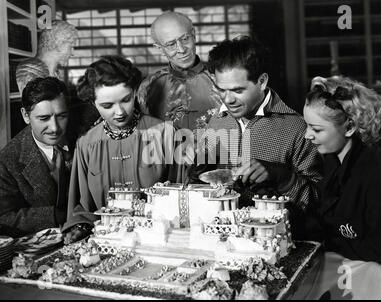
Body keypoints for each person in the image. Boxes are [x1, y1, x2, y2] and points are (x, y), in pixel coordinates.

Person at [193, 36, 323, 240]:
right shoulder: (215, 122)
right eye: (221, 90)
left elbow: (319, 201)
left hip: (275, 244)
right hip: (222, 241)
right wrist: (197, 176)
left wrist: (282, 177)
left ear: (262, 82)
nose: (228, 100)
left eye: (238, 90)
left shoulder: (297, 128)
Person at [62, 55, 179, 244]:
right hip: (107, 244)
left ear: (134, 92)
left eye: (126, 100)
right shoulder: (86, 145)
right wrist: (80, 226)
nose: (119, 112)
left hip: (160, 241)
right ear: (93, 103)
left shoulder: (165, 134)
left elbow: (182, 196)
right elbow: (82, 209)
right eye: (107, 106)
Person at [295, 76, 381, 299]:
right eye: (306, 125)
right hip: (344, 269)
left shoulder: (378, 174)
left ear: (349, 127)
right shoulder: (332, 161)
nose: (306, 135)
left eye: (316, 129)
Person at [0, 77, 71, 237]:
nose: (54, 128)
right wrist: (54, 215)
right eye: (44, 118)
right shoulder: (8, 159)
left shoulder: (84, 138)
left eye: (61, 116)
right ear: (26, 115)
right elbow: (4, 217)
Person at [137, 11, 221, 130]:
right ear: (159, 48)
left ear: (193, 35)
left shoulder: (220, 77)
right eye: (171, 44)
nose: (181, 49)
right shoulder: (149, 86)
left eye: (185, 39)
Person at [16, 20, 78, 94]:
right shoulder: (29, 70)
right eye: (71, 47)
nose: (72, 53)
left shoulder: (56, 74)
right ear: (59, 44)